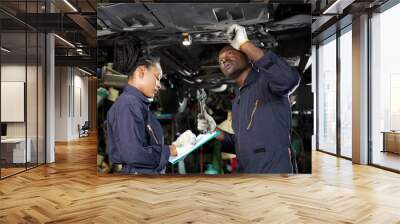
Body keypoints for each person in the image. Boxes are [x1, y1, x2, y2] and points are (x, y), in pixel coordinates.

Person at [197, 24, 301, 173]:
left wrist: (245, 44)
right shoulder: (238, 100)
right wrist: (214, 130)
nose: (224, 61)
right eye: (220, 61)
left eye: (229, 55)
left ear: (246, 56)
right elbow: (242, 146)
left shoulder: (266, 82)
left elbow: (289, 79)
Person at [106, 56, 178, 174]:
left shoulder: (137, 105)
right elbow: (132, 153)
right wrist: (167, 151)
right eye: (157, 78)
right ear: (141, 72)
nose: (159, 85)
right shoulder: (128, 104)